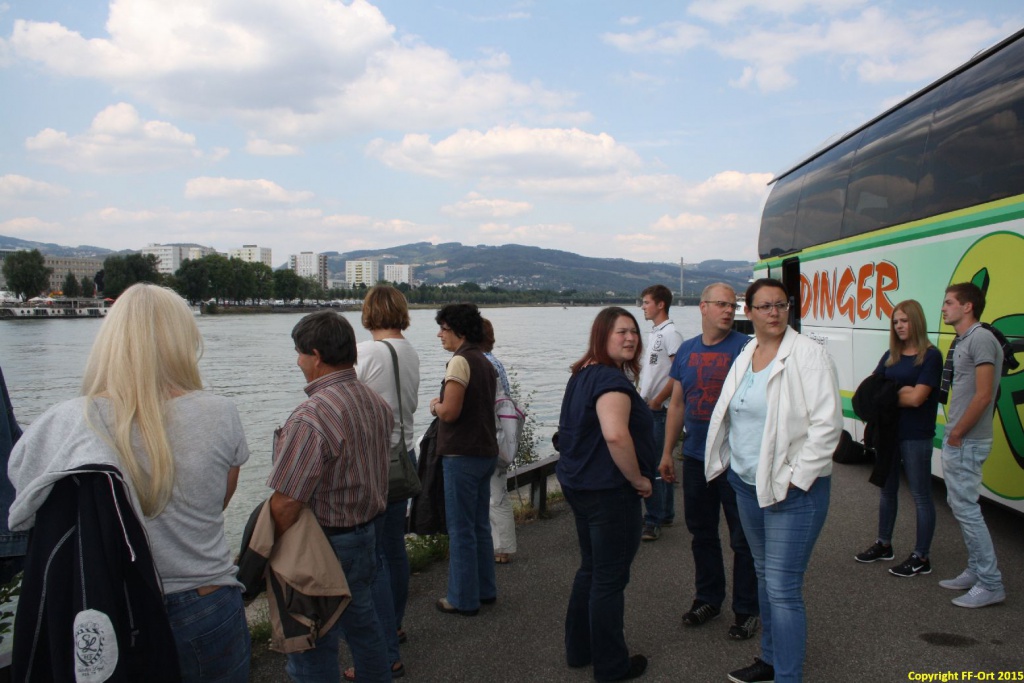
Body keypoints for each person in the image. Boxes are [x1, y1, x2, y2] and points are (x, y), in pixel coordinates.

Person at [11, 283, 252, 682]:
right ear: (184, 340)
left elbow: (24, 504)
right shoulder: (220, 413)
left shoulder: (67, 422)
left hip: (110, 605)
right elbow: (219, 500)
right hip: (205, 601)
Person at [705, 279, 842, 683]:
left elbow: (827, 426)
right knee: (764, 575)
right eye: (764, 306)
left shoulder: (809, 354)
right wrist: (729, 463)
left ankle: (788, 675)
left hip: (792, 491)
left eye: (780, 305)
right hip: (747, 484)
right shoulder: (748, 352)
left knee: (782, 587)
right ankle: (769, 660)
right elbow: (732, 412)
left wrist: (798, 479)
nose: (774, 313)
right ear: (749, 311)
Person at [267, 310, 394, 683]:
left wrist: (267, 548)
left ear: (316, 356)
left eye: (299, 353)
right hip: (367, 532)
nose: (298, 362)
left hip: (324, 544)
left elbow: (287, 502)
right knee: (363, 624)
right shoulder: (375, 402)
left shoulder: (312, 416)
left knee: (312, 639)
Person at [557, 306, 655, 682]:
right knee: (609, 579)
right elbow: (615, 435)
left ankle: (579, 649)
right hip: (609, 492)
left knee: (591, 568)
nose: (630, 338)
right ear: (602, 336)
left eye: (634, 331)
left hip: (580, 485)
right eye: (621, 332)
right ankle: (612, 666)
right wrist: (638, 480)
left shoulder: (583, 374)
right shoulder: (611, 382)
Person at [658, 283, 759, 639]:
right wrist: (667, 452)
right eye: (721, 304)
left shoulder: (747, 348)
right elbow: (677, 405)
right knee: (701, 533)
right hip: (696, 457)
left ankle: (747, 609)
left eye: (733, 305)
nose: (729, 310)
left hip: (735, 460)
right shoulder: (686, 350)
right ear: (703, 307)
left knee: (742, 538)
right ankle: (708, 599)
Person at [351, 285, 420, 680]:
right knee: (394, 550)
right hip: (404, 457)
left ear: (369, 312)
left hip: (375, 462)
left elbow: (344, 399)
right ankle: (393, 626)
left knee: (372, 558)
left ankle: (383, 653)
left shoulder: (367, 352)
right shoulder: (409, 351)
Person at [854, 300, 942, 577]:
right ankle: (884, 544)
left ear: (917, 321)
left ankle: (921, 556)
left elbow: (917, 399)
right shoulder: (891, 354)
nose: (899, 326)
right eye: (895, 322)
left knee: (920, 495)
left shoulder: (931, 356)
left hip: (916, 435)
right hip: (888, 434)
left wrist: (889, 393)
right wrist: (900, 391)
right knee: (887, 490)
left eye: (904, 320)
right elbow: (871, 391)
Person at [936, 283, 1005, 608]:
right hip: (961, 439)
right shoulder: (966, 340)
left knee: (967, 510)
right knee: (961, 506)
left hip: (967, 440)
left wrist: (957, 433)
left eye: (949, 302)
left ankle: (990, 583)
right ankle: (977, 570)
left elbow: (984, 394)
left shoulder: (980, 339)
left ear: (968, 306)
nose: (943, 308)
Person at [428, 303, 499, 616]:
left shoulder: (459, 362)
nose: (440, 334)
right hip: (485, 451)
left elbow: (451, 412)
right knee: (480, 525)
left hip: (461, 454)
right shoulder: (483, 359)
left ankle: (462, 598)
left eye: (443, 328)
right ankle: (485, 589)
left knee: (460, 530)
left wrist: (435, 406)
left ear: (458, 330)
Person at [637, 284, 683, 542]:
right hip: (649, 407)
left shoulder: (671, 334)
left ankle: (653, 519)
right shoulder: (656, 333)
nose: (643, 307)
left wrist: (657, 401)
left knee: (652, 464)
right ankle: (665, 513)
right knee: (658, 461)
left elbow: (678, 373)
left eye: (646, 302)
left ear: (660, 304)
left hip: (659, 410)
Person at [481, 319, 517, 565]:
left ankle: (502, 547)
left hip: (492, 435)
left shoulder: (483, 364)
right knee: (497, 492)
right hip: (503, 434)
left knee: (495, 495)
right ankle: (500, 545)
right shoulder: (495, 362)